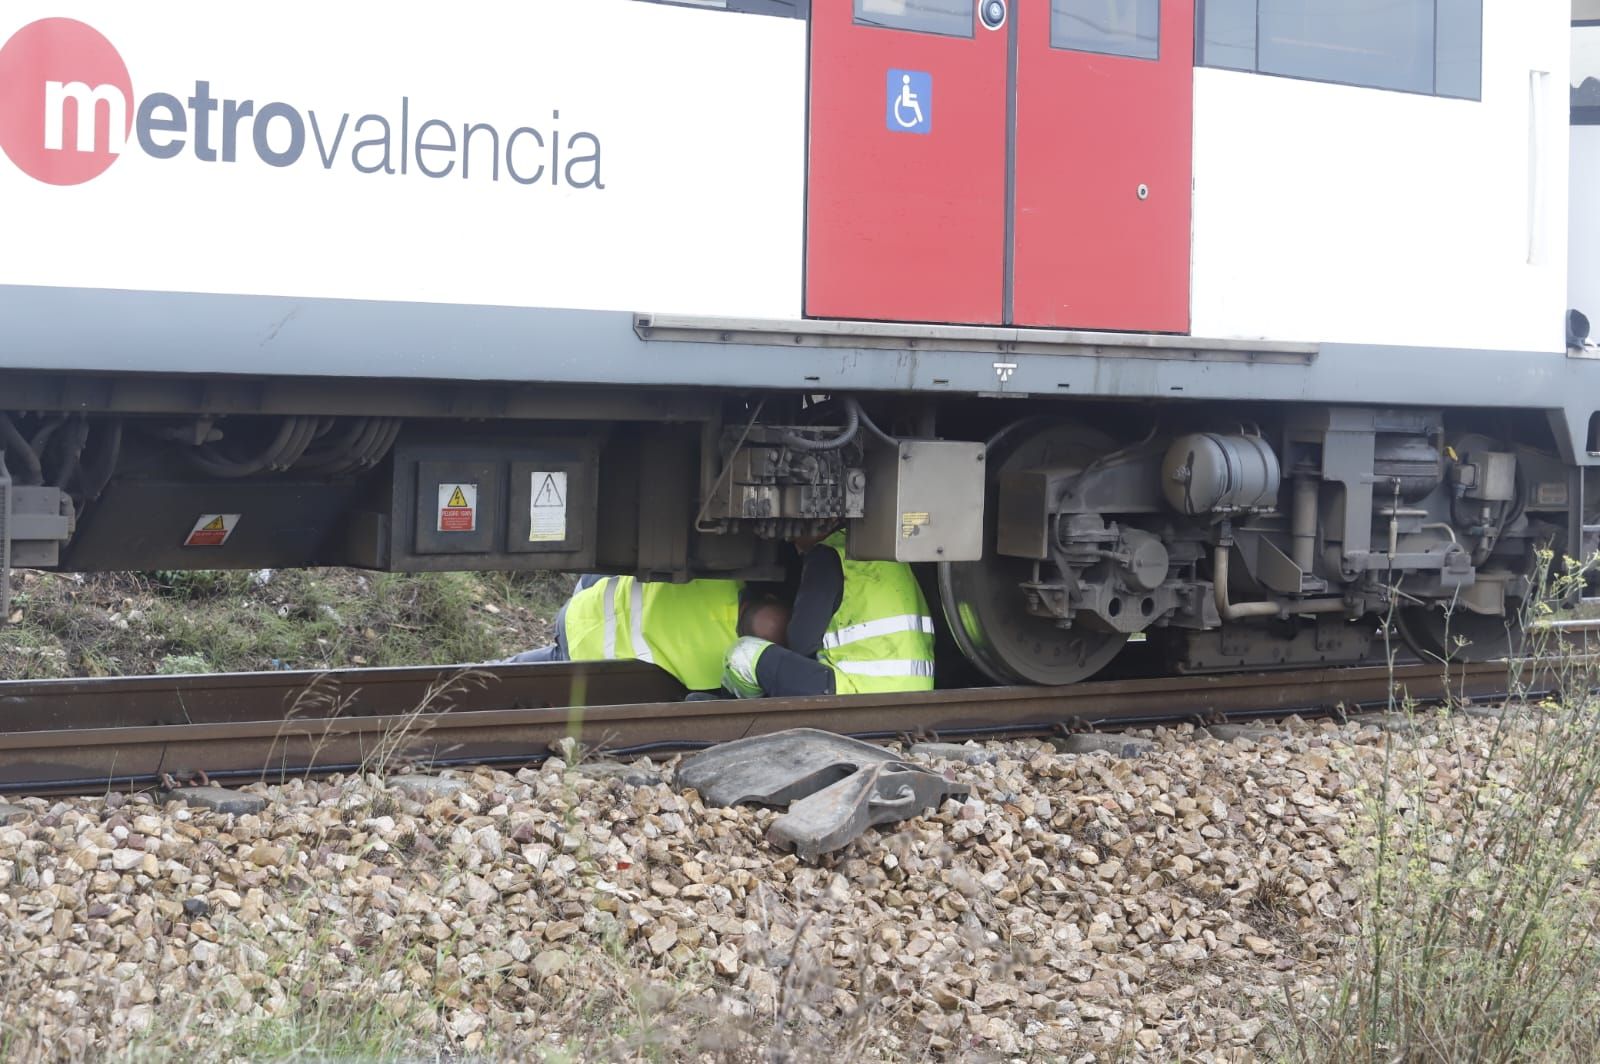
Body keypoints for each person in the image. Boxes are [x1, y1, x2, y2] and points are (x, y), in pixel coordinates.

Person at [721, 528, 935, 698]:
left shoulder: (828, 554)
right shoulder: (888, 556)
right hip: (915, 691)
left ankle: (743, 708)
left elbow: (801, 642)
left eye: (795, 529)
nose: (790, 539)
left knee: (743, 654)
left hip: (857, 690)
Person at [506, 575, 785, 693]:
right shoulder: (715, 671)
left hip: (585, 601)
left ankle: (486, 673)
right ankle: (491, 673)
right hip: (584, 651)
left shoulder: (726, 582)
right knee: (543, 667)